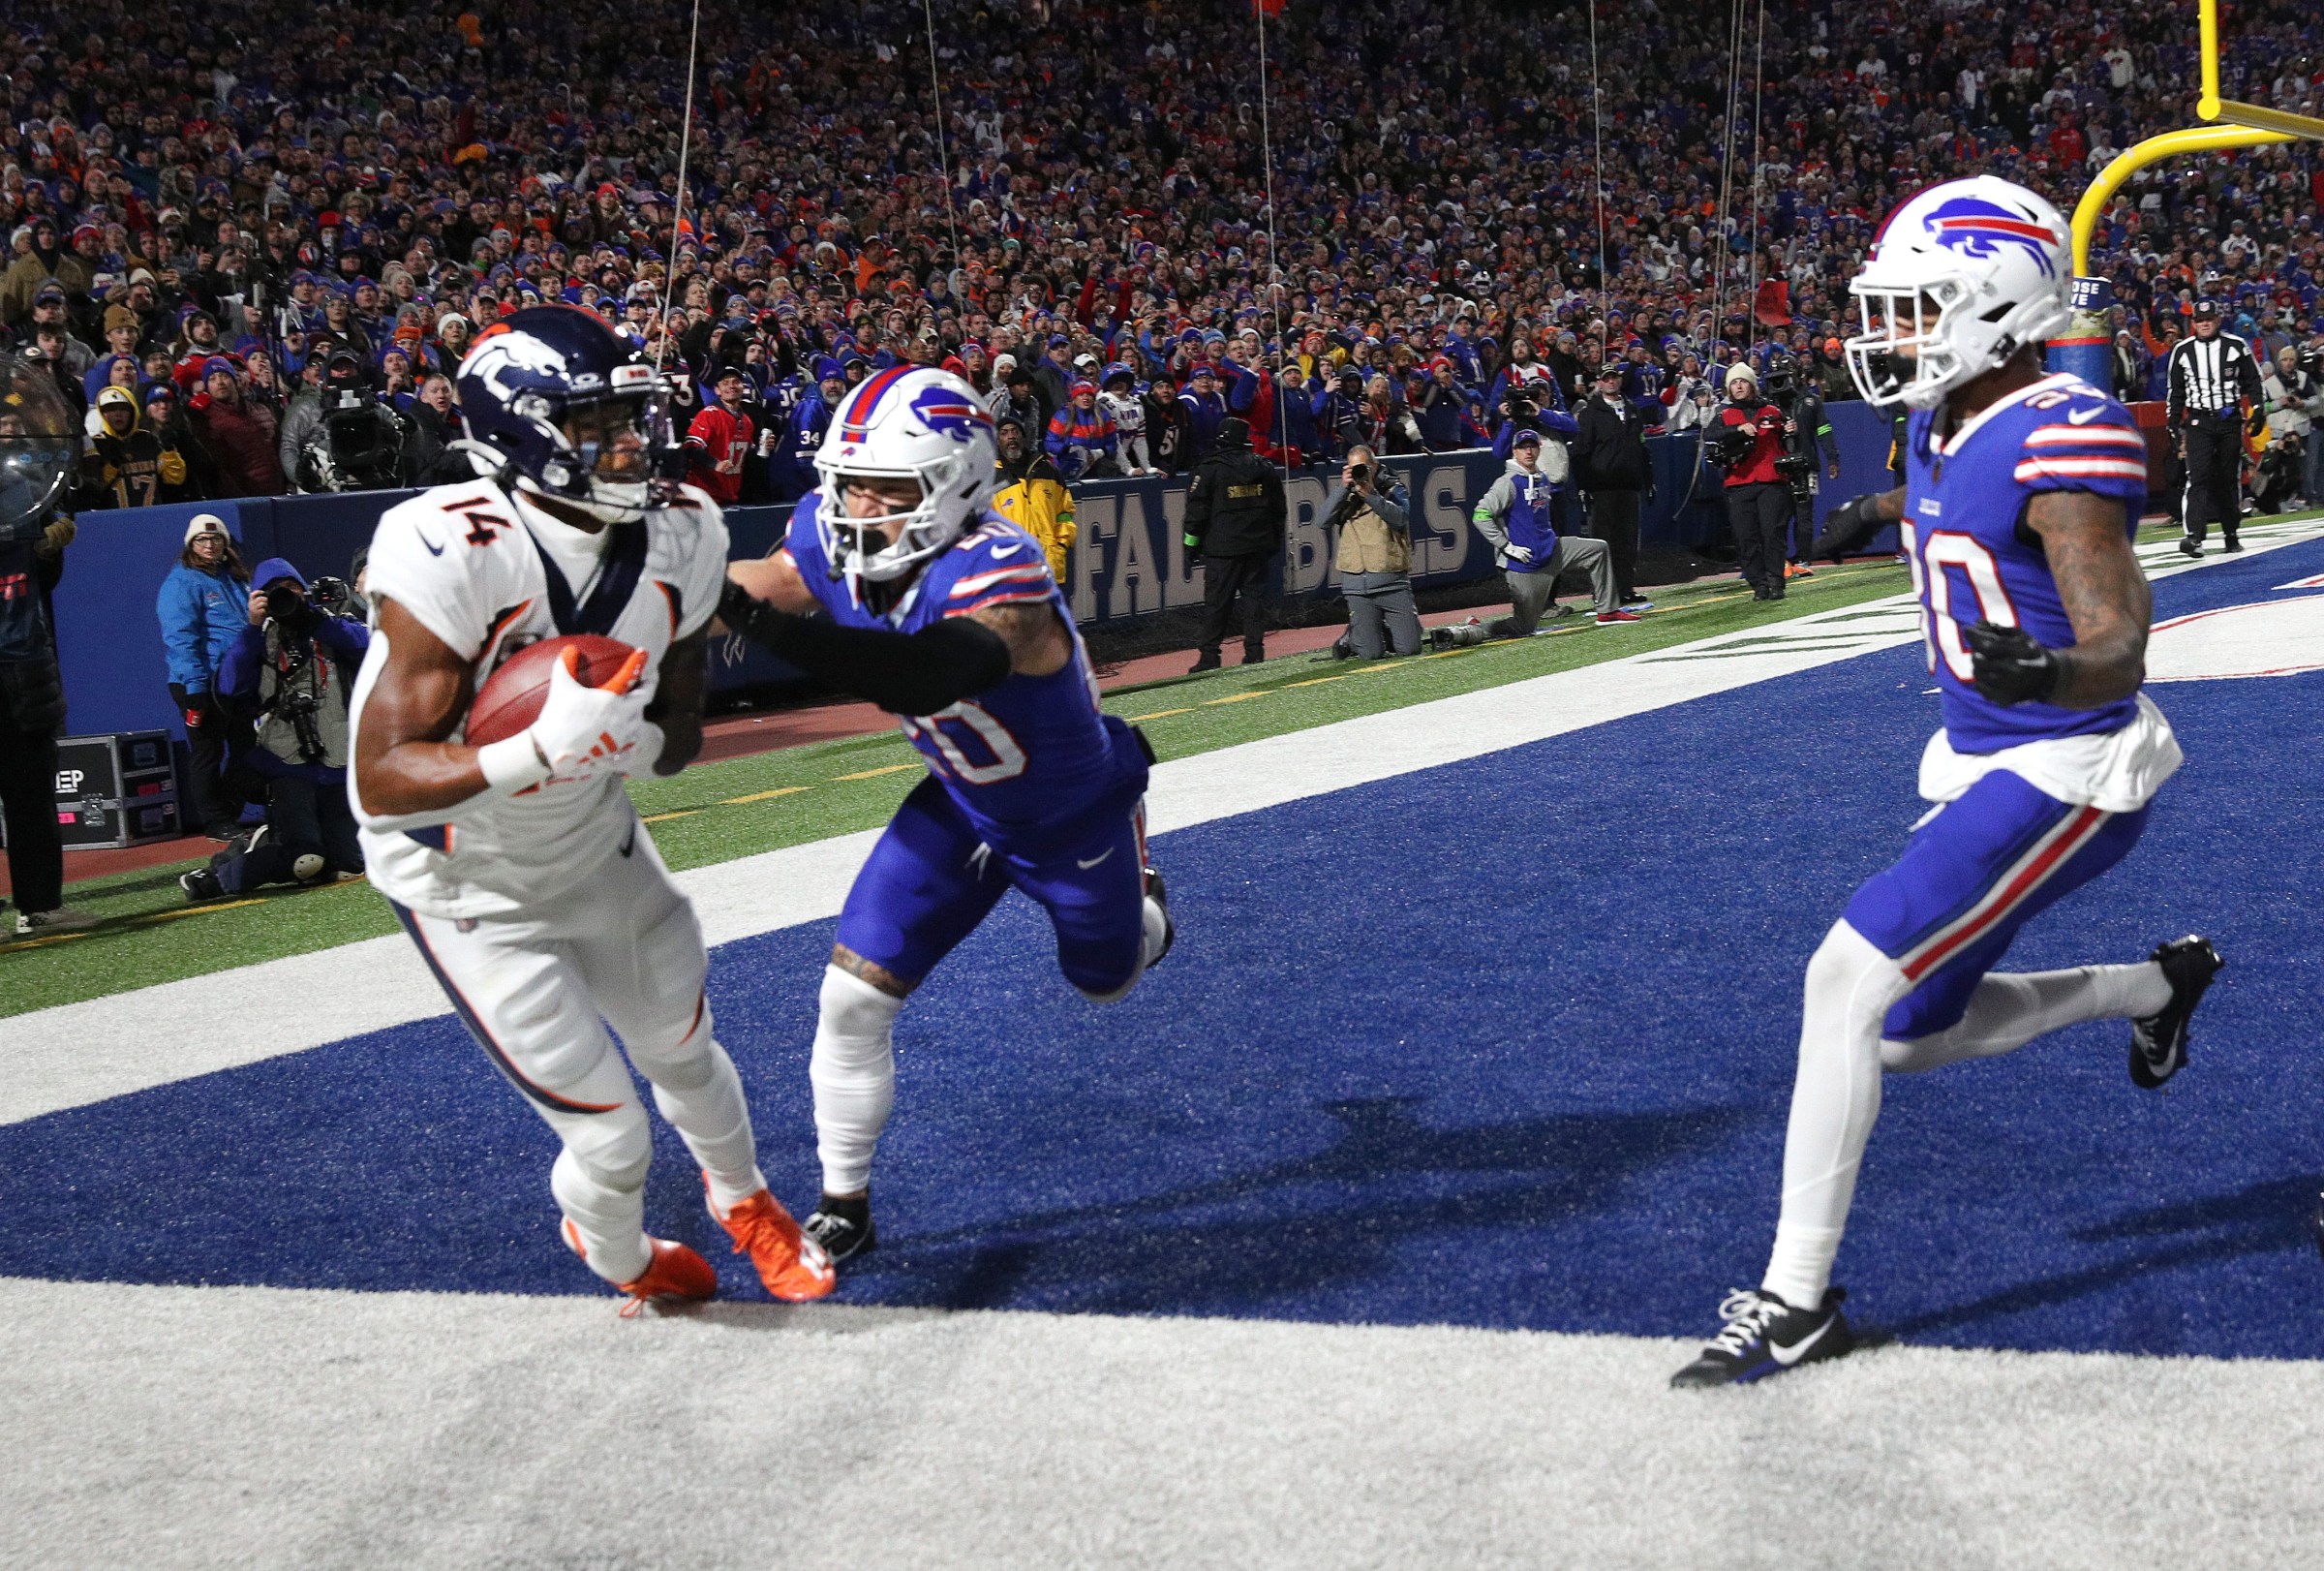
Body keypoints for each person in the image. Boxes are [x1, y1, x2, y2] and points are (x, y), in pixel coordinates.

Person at [1674, 177, 2221, 1389]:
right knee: (1909, 1034)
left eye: (1921, 308)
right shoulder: (1939, 421)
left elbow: (2121, 640)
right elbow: (1951, 509)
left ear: (1998, 306)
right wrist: (1872, 510)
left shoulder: (2059, 428)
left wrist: (2053, 668)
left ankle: (1795, 1301)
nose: (1894, 334)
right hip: (1985, 758)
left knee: (1846, 982)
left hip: (2065, 763)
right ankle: (2153, 986)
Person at [346, 306, 834, 1313]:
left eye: (628, 416)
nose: (625, 442)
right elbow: (380, 779)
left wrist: (641, 744)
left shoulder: (685, 529)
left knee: (685, 1051)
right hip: (467, 882)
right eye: (590, 422)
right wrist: (533, 749)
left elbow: (684, 720)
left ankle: (745, 1199)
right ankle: (622, 1255)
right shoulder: (451, 540)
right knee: (610, 1137)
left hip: (595, 846)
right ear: (516, 432)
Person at [717, 365, 1174, 1264]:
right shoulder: (831, 530)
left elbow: (926, 674)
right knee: (849, 998)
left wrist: (756, 625)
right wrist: (638, 586)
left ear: (955, 484)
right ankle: (845, 1201)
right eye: (846, 485)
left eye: (884, 489)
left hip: (1069, 817)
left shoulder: (1001, 571)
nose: (856, 508)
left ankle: (1143, 894)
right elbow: (764, 578)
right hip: (963, 798)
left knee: (1107, 980)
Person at [182, 560, 367, 899]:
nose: (287, 596)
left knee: (347, 867)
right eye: (276, 591)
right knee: (306, 859)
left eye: (293, 588)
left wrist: (315, 618)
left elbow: (366, 646)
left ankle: (264, 841)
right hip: (287, 762)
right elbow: (230, 686)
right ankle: (221, 877)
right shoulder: (260, 639)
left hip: (338, 760)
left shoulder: (330, 626)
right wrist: (252, 628)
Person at [0, 358, 93, 935]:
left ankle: (41, 905)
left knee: (31, 790)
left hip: (22, 660)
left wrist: (49, 554)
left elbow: (39, 585)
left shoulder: (31, 493)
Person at [1441, 429, 1636, 643]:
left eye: (1532, 446)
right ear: (1514, 451)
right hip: (1524, 563)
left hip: (1551, 550)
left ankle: (1607, 611)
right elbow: (1480, 514)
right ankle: (1474, 628)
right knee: (1523, 626)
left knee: (1597, 549)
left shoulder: (1542, 476)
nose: (1528, 451)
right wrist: (1506, 546)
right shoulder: (1508, 482)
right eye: (1523, 447)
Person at [157, 514, 257, 839]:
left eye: (215, 540)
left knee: (248, 750)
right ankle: (216, 820)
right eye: (201, 540)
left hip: (236, 681)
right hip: (201, 681)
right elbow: (181, 639)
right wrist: (195, 687)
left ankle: (226, 813)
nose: (209, 545)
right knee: (208, 751)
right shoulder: (181, 582)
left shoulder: (234, 578)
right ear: (191, 545)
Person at [1180, 416, 1286, 671]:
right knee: (1254, 601)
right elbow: (1278, 510)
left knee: (1217, 603)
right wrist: (1272, 542)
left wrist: (1190, 546)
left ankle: (1210, 656)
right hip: (1257, 547)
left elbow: (1196, 513)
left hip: (1222, 550)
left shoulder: (1209, 468)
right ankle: (1254, 651)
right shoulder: (1263, 467)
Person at [2165, 301, 2264, 556]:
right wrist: (2173, 423)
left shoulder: (2235, 346)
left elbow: (2253, 380)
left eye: (2209, 318)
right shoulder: (2183, 350)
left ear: (2217, 320)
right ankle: (2194, 537)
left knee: (2228, 478)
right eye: (2200, 320)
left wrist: (2258, 409)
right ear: (2193, 323)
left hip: (2230, 420)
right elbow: (2176, 391)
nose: (2205, 323)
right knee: (2196, 477)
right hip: (2199, 421)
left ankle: (2231, 533)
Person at [1326, 446, 1422, 658]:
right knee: (1370, 654)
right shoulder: (1345, 494)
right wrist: (1342, 488)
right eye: (1353, 468)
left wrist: (1371, 495)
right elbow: (1321, 521)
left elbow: (1400, 518)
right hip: (1357, 585)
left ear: (1375, 466)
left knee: (1410, 648)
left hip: (1392, 582)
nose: (1359, 472)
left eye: (1364, 467)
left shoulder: (1392, 488)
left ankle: (1387, 631)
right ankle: (1353, 637)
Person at [1572, 363, 1655, 609]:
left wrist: (1648, 480)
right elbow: (1580, 452)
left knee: (1627, 541)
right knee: (1602, 542)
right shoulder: (1591, 412)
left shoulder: (1631, 408)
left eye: (1614, 377)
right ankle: (1601, 592)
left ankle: (1625, 588)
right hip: (1603, 487)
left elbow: (1642, 447)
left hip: (1629, 485)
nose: (1610, 382)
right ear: (1599, 382)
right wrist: (1584, 486)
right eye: (1606, 378)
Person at [1717, 364, 1794, 600]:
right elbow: (1711, 437)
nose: (1738, 386)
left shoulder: (1772, 410)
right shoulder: (1724, 415)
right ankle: (1758, 584)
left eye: (1743, 381)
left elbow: (1787, 442)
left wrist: (1791, 430)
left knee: (1772, 533)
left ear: (1752, 385)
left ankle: (1775, 581)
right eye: (1734, 382)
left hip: (1771, 479)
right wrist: (1737, 430)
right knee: (1745, 536)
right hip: (1739, 481)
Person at [991, 414, 1078, 584]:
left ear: (1023, 438)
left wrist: (1060, 543)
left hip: (1050, 566)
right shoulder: (990, 479)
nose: (1011, 436)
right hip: (1011, 571)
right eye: (1004, 433)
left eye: (1015, 431)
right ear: (997, 441)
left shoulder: (1048, 471)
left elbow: (1065, 512)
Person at [684, 364, 756, 506]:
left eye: (736, 382)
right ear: (717, 390)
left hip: (730, 495)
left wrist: (761, 449)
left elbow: (745, 456)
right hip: (705, 497)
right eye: (725, 383)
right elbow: (690, 447)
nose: (731, 386)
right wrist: (714, 464)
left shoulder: (747, 421)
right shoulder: (709, 415)